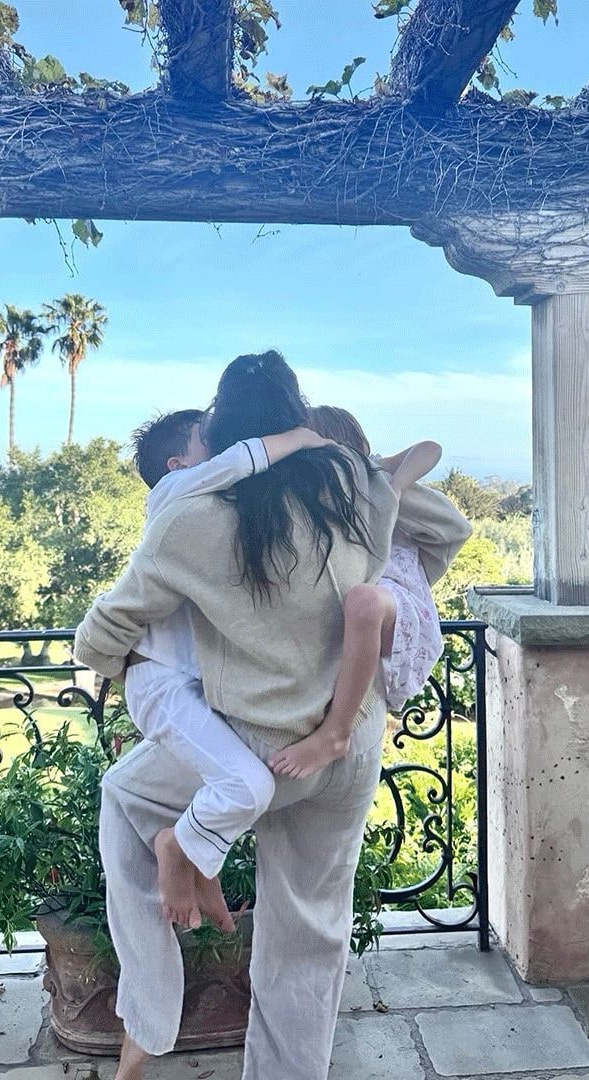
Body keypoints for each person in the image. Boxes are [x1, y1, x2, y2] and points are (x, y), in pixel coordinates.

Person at [77, 351, 470, 1080]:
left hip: (258, 743)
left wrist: (123, 664)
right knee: (309, 935)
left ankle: (153, 1006)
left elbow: (101, 635)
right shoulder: (355, 494)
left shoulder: (193, 520)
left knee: (126, 796)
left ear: (222, 433)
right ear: (297, 419)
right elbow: (429, 520)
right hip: (348, 746)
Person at [115, 411, 332, 929]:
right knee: (248, 786)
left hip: (188, 687)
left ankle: (199, 865)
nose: (218, 443)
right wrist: (302, 435)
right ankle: (176, 848)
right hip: (160, 685)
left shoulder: (206, 513)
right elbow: (241, 459)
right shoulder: (169, 493)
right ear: (177, 464)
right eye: (204, 439)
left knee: (230, 782)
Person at [266, 406, 456, 780]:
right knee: (358, 599)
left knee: (363, 600)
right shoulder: (314, 497)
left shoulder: (372, 476)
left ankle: (336, 733)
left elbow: (430, 448)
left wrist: (394, 488)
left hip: (398, 600)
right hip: (371, 597)